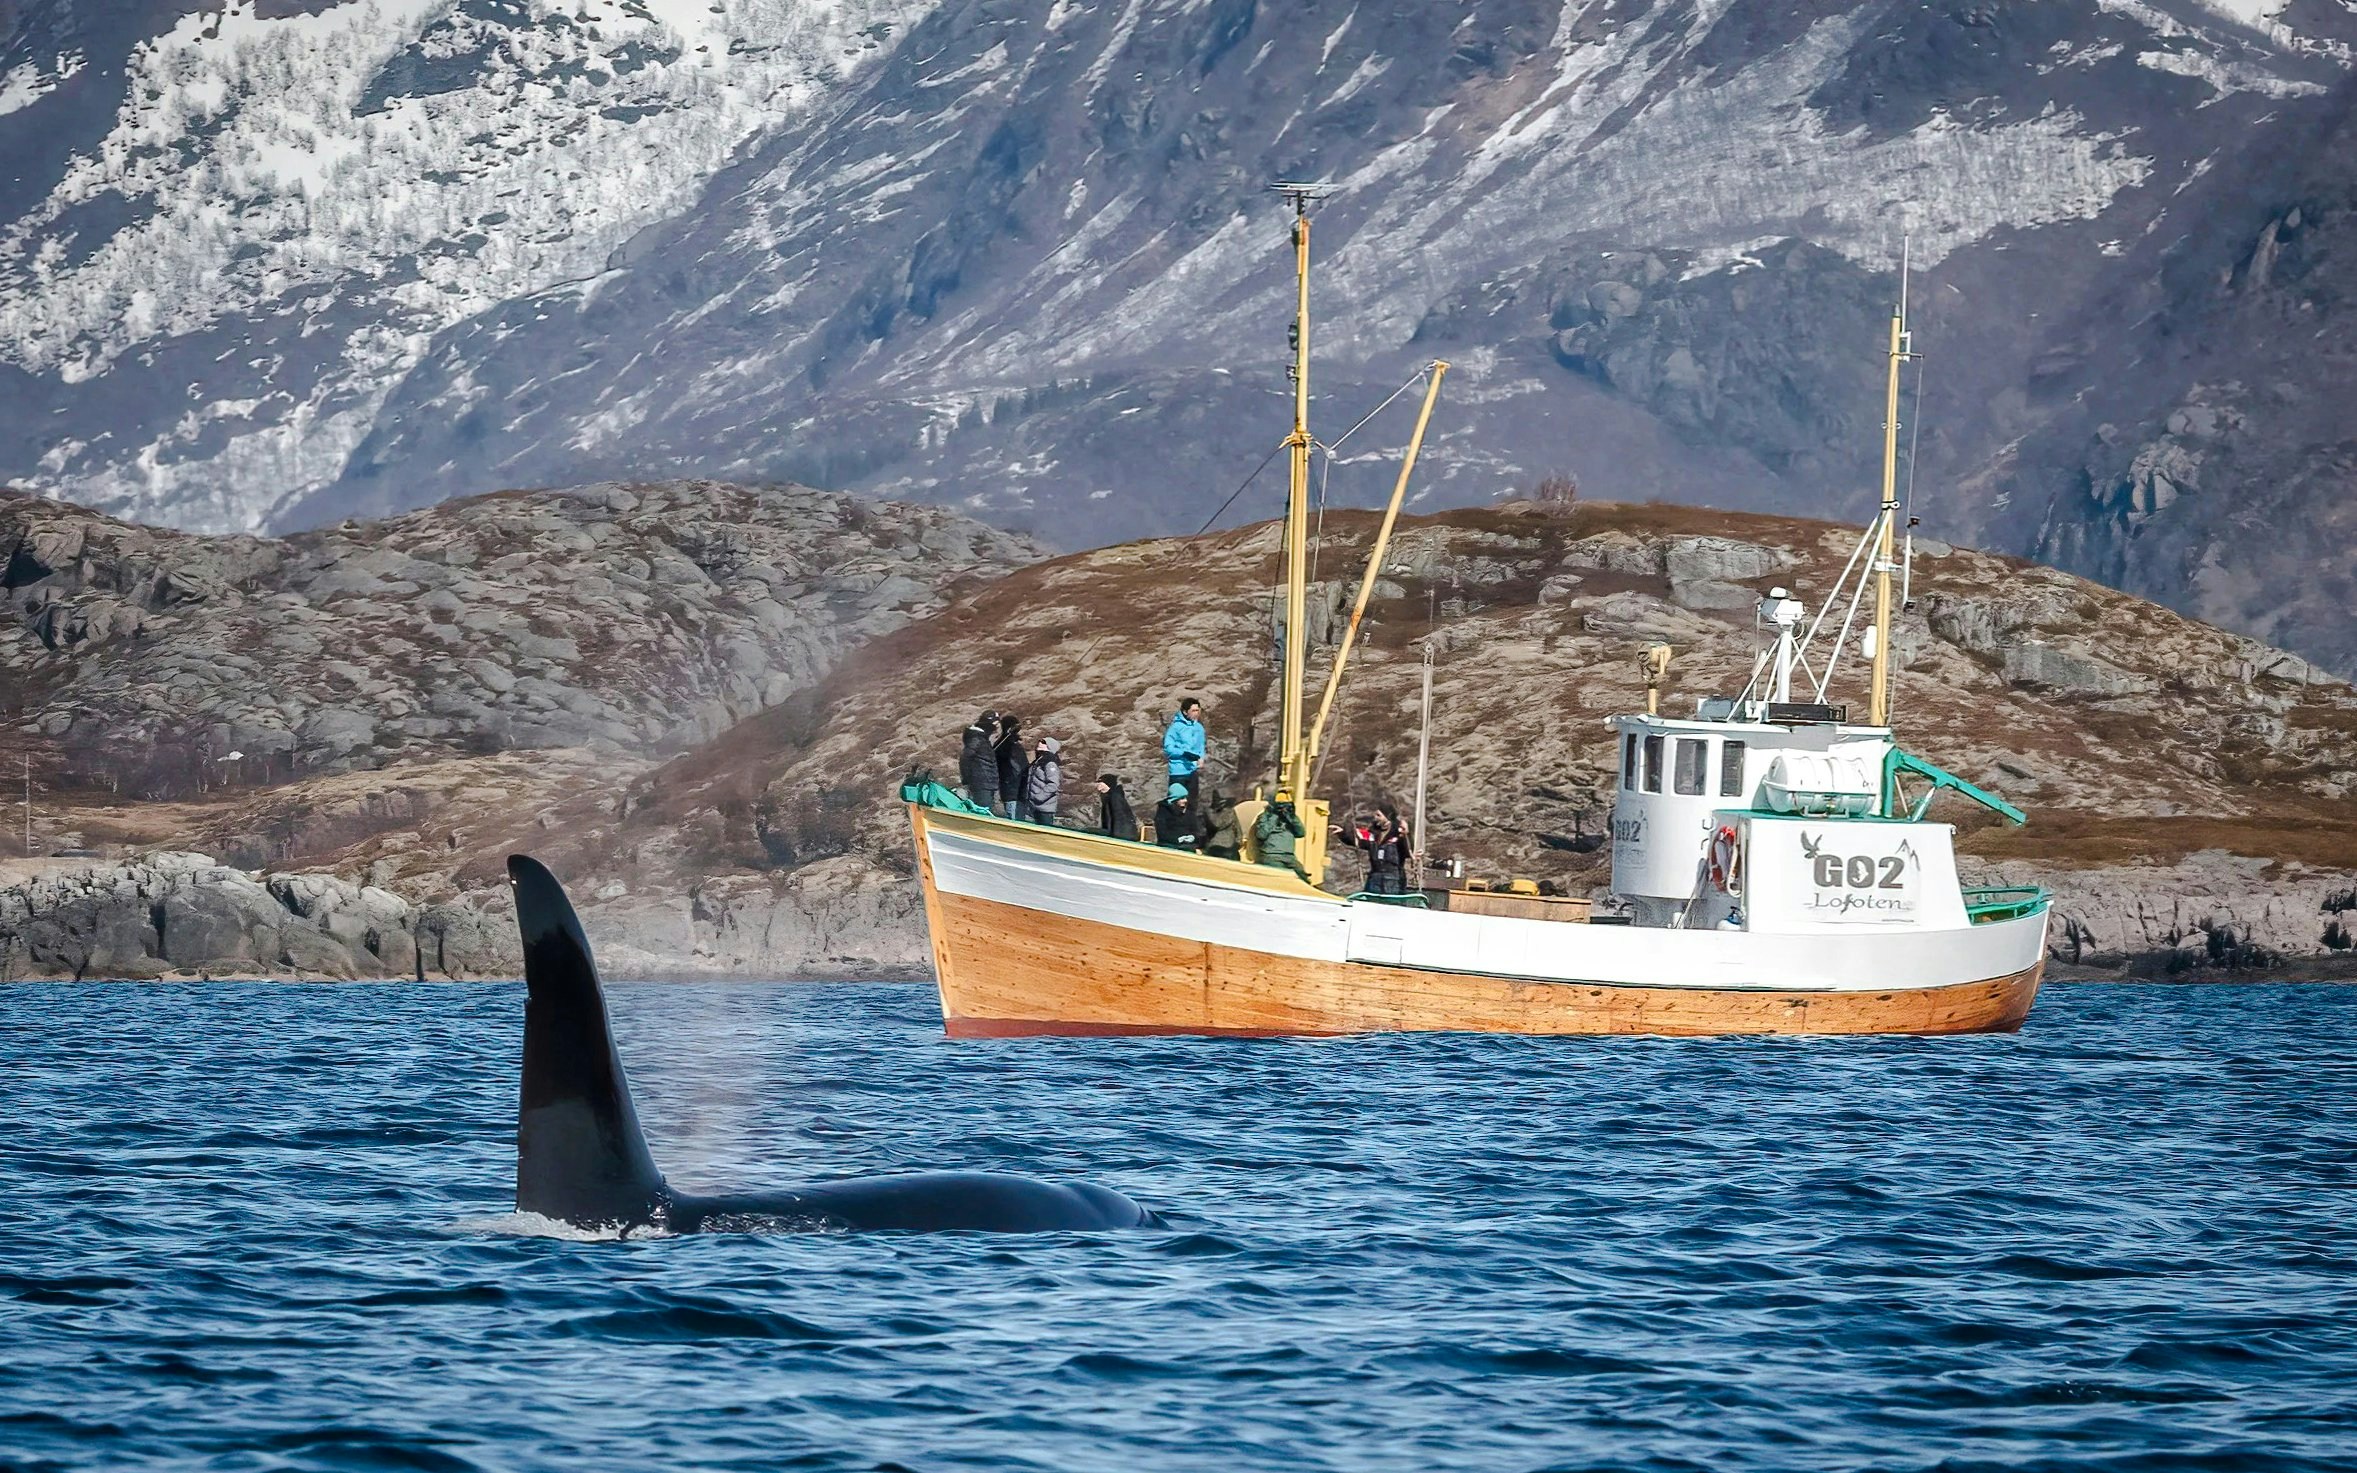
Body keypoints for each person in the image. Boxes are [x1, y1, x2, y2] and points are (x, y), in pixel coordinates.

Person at [1337, 804, 1411, 894]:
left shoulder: (1398, 836)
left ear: (1387, 818)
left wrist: (1405, 835)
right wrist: (1342, 834)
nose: (1375, 817)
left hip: (1393, 879)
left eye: (1379, 815)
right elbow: (1357, 842)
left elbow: (1407, 852)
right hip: (1374, 877)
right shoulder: (1374, 835)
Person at [1252, 794, 1308, 881]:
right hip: (1271, 855)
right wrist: (1274, 816)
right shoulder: (1265, 817)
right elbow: (1261, 834)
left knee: (1302, 877)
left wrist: (1291, 817)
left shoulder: (1289, 818)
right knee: (1281, 876)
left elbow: (1301, 833)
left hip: (1289, 856)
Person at [1162, 697, 1206, 806]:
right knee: (1177, 804)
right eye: (1193, 711)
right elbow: (1168, 748)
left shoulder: (1199, 727)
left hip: (1192, 770)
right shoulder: (1175, 728)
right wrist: (1183, 753)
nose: (1196, 713)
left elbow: (1200, 746)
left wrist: (1201, 758)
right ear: (1185, 712)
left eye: (1198, 710)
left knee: (1192, 804)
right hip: (1178, 771)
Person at [960, 709, 1001, 814]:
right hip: (981, 783)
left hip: (987, 783)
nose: (997, 727)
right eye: (996, 723)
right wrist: (967, 779)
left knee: (986, 811)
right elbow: (965, 758)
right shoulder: (976, 739)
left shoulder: (982, 738)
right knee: (982, 812)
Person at [996, 715, 1031, 822]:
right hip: (1012, 790)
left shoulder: (1014, 745)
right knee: (1014, 819)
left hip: (1019, 790)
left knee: (1019, 817)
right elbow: (1014, 768)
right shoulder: (1004, 745)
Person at [1025, 736, 1063, 826]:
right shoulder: (1038, 761)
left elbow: (1053, 784)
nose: (1040, 743)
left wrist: (1039, 797)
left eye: (1044, 742)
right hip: (1032, 806)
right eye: (1040, 740)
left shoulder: (1050, 763)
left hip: (1044, 807)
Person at [1153, 782, 1201, 852]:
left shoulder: (1189, 812)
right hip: (1168, 846)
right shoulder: (1163, 811)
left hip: (1187, 846)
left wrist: (1193, 837)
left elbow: (1196, 831)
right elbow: (1162, 833)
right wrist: (1177, 839)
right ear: (1174, 799)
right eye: (1182, 798)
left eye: (1185, 798)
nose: (1185, 800)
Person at [1202, 789, 1242, 860]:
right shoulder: (1229, 812)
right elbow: (1237, 831)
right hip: (1221, 847)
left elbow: (1238, 831)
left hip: (1221, 848)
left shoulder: (1208, 812)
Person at [1097, 774, 1139, 840]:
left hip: (1121, 837)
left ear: (1108, 784)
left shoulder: (1115, 797)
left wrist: (1115, 838)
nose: (1098, 787)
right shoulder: (1111, 797)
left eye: (1101, 784)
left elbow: (1120, 819)